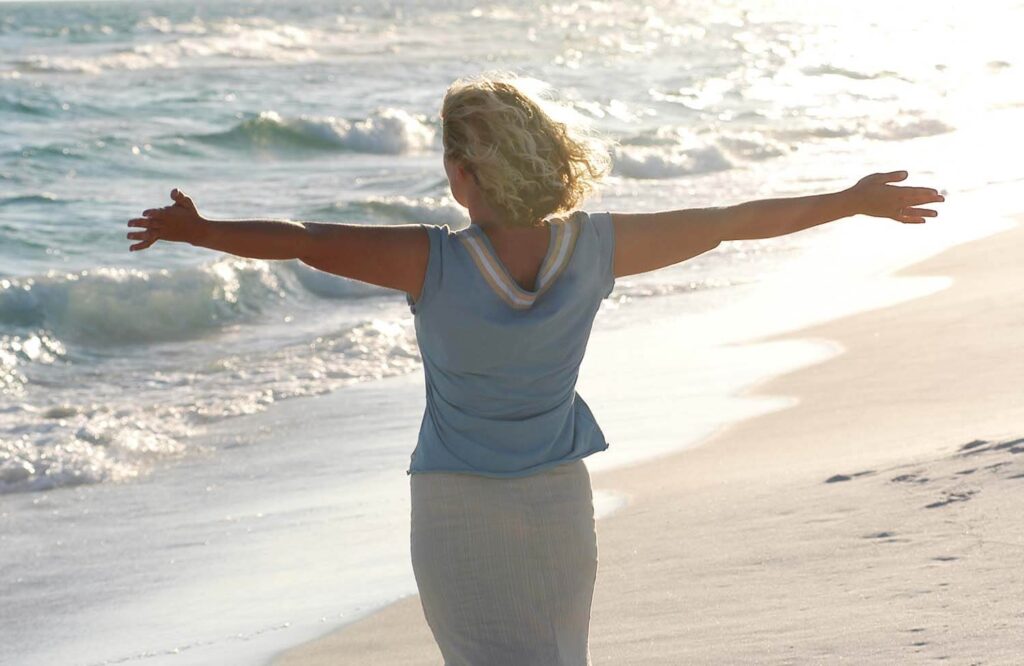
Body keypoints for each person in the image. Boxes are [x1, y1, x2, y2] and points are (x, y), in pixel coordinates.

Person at [126, 72, 945, 665]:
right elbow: (730, 221)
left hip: (456, 507)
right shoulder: (597, 247)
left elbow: (305, 237)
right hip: (558, 498)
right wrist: (849, 198)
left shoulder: (428, 262)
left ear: (461, 174)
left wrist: (201, 232)